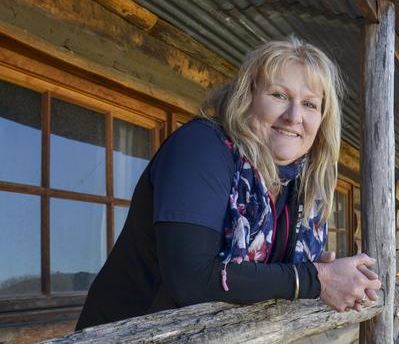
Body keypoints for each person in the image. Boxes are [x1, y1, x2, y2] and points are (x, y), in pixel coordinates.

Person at [75, 37, 381, 330]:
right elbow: (192, 278)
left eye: (311, 104)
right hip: (128, 333)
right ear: (247, 98)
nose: (294, 116)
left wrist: (321, 270)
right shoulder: (201, 147)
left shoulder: (296, 183)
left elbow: (274, 276)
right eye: (279, 95)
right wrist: (316, 278)